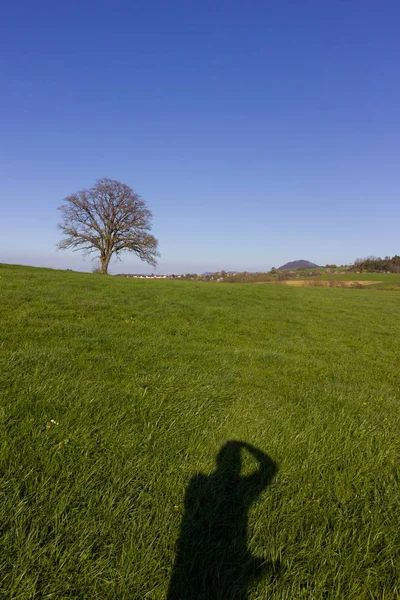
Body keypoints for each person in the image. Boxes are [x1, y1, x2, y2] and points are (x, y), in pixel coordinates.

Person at [167, 441, 278, 599]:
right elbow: (270, 467)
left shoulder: (199, 482)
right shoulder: (235, 486)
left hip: (185, 569)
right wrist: (246, 446)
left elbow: (270, 468)